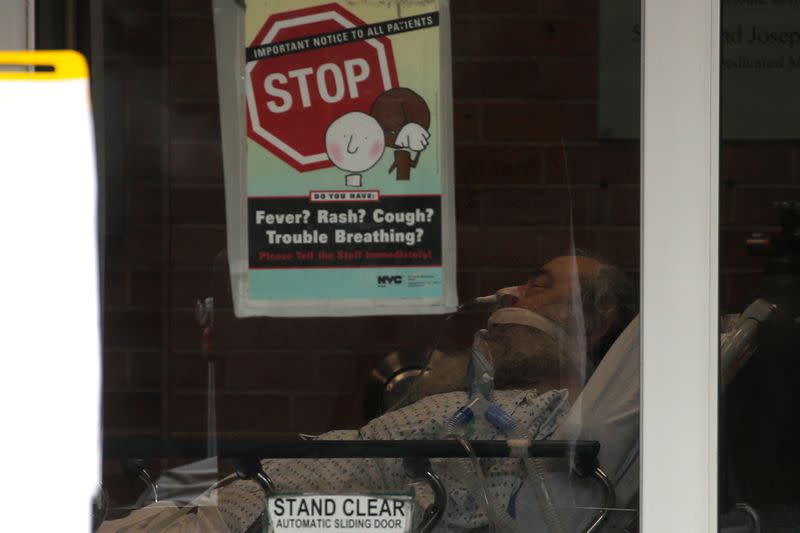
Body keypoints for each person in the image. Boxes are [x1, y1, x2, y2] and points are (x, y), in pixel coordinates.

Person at [98, 254, 636, 533]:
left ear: (593, 324)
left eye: (540, 285)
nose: (515, 293)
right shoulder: (480, 402)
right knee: (139, 497)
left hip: (261, 511)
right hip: (244, 486)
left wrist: (283, 517)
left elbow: (455, 508)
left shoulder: (538, 423)